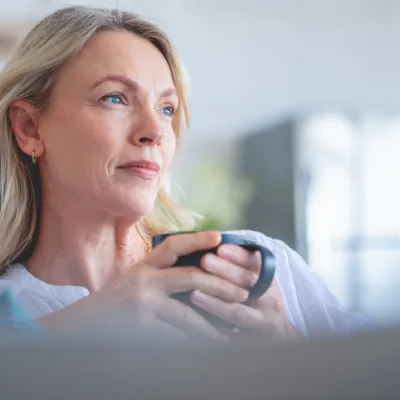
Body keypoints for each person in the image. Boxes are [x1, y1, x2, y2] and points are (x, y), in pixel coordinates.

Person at [0, 6, 371, 342]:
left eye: (166, 109)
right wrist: (84, 327)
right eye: (114, 98)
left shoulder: (258, 271)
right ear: (29, 128)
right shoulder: (13, 314)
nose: (156, 131)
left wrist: (293, 353)